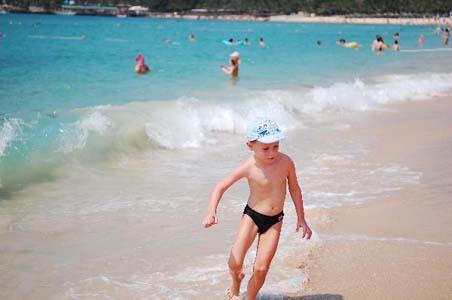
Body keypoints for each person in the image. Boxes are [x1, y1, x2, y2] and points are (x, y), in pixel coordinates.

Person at [202, 117, 312, 300]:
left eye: (276, 146)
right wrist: (211, 212)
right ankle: (236, 283)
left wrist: (301, 218)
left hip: (275, 220)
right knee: (234, 263)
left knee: (261, 268)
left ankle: (250, 298)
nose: (272, 153)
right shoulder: (249, 167)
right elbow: (220, 186)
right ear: (250, 146)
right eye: (266, 148)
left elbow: (294, 189)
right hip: (252, 216)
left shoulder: (286, 162)